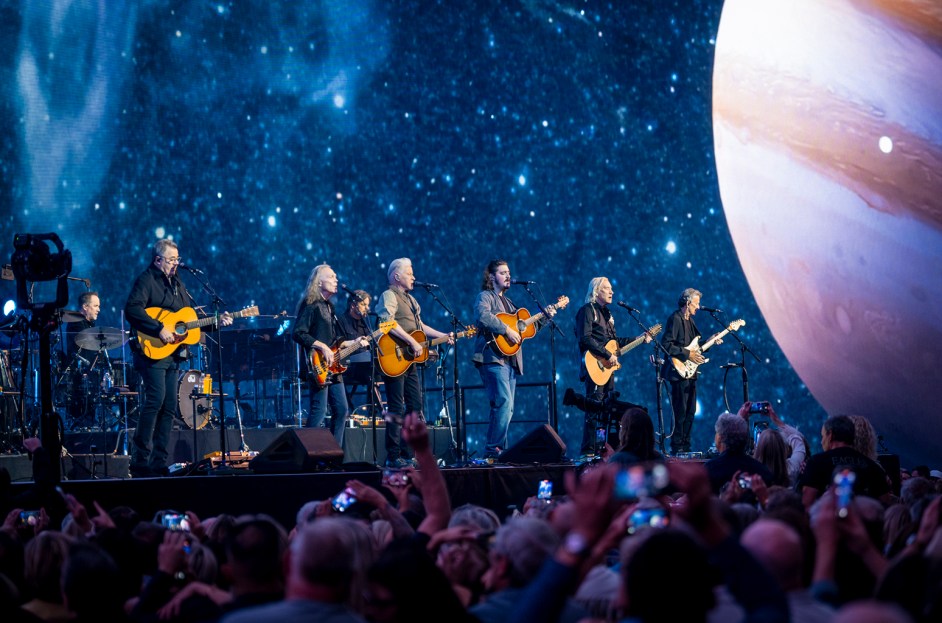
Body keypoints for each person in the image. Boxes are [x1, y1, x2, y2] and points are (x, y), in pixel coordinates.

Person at [125, 239, 232, 478]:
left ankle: (158, 462)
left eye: (177, 259)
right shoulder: (146, 280)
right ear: (158, 260)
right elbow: (132, 309)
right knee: (155, 400)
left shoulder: (178, 284)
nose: (176, 264)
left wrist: (216, 323)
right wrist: (157, 329)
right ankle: (139, 460)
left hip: (172, 353)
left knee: (169, 406)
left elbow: (189, 324)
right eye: (171, 259)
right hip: (151, 350)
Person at [472, 260, 555, 460]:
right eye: (503, 273)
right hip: (492, 356)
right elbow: (482, 316)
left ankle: (497, 450)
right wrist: (506, 329)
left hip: (510, 361)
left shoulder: (510, 304)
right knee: (503, 402)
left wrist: (545, 318)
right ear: (492, 277)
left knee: (507, 408)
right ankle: (493, 451)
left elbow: (527, 331)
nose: (508, 276)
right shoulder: (485, 297)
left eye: (509, 272)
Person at [374, 258, 453, 468]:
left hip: (409, 361)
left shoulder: (411, 300)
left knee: (415, 406)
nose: (414, 277)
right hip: (394, 357)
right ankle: (393, 455)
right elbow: (386, 323)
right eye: (410, 273)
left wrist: (443, 335)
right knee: (396, 407)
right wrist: (410, 341)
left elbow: (421, 326)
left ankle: (407, 454)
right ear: (397, 276)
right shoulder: (389, 295)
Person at [292, 264, 369, 447]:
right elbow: (298, 333)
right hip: (317, 365)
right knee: (318, 411)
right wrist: (322, 347)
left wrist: (354, 342)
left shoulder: (329, 308)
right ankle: (308, 454)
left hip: (333, 365)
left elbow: (335, 340)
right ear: (319, 282)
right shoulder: (311, 304)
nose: (336, 280)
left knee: (342, 410)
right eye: (332, 277)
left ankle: (333, 455)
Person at [574, 277, 649, 456]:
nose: (611, 292)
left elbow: (614, 343)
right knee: (594, 408)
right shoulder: (586, 311)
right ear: (596, 291)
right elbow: (584, 338)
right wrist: (607, 354)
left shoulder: (608, 315)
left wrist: (638, 339)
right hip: (594, 365)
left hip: (607, 368)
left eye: (611, 289)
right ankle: (588, 452)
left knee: (606, 410)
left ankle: (602, 450)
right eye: (607, 288)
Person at [661, 287, 716, 455]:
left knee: (690, 411)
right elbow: (666, 344)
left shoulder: (690, 321)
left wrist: (711, 341)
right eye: (696, 304)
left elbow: (696, 348)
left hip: (690, 372)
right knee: (681, 411)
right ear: (687, 302)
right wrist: (687, 354)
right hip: (678, 372)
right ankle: (677, 448)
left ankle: (686, 447)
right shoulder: (675, 319)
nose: (698, 307)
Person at [797, 414, 891, 508]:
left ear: (830, 435)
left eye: (823, 436)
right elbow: (885, 505)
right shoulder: (873, 467)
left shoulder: (816, 462)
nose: (822, 442)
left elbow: (807, 502)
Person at [336, 290, 376, 410]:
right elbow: (338, 344)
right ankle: (350, 410)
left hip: (363, 366)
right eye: (364, 305)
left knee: (377, 369)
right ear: (353, 305)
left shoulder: (365, 322)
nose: (367, 308)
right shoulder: (340, 321)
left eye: (368, 305)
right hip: (346, 366)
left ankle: (373, 410)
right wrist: (355, 344)